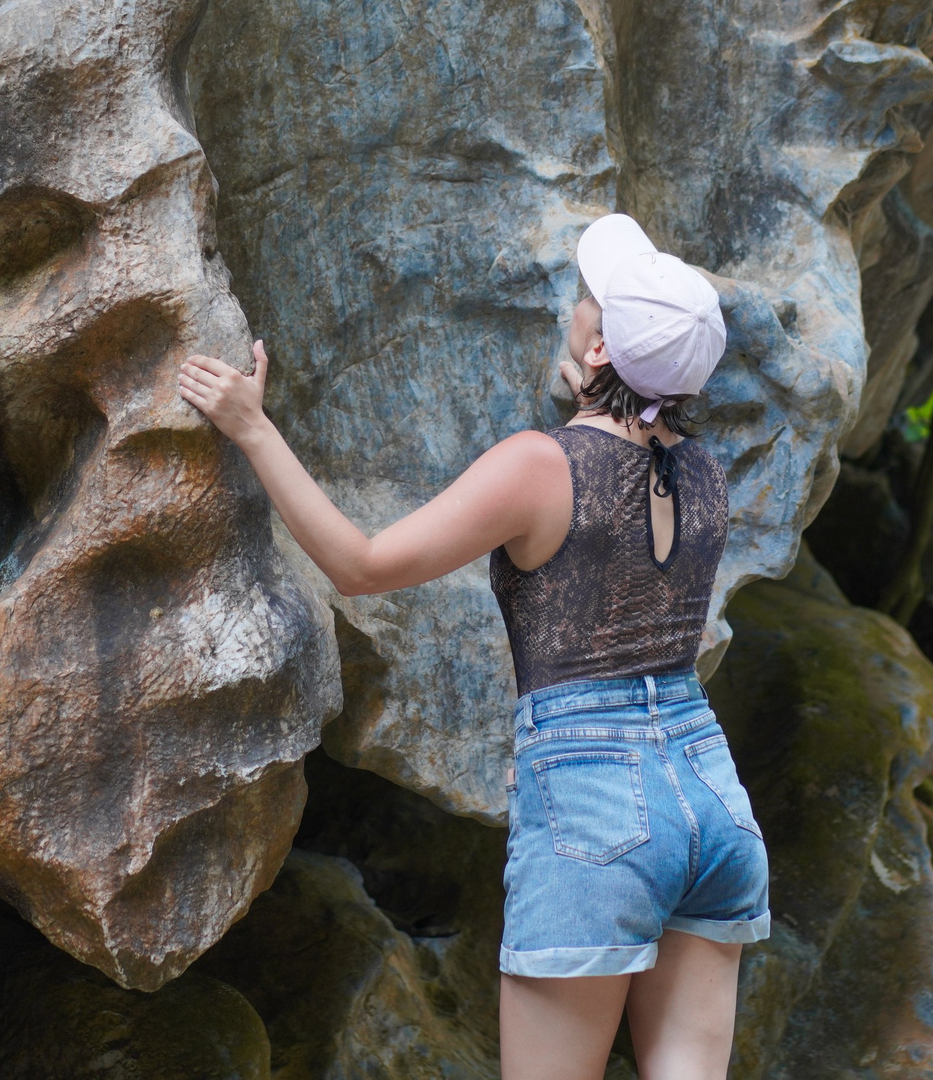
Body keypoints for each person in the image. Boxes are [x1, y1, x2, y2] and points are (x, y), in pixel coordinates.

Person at [178, 214, 769, 1080]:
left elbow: (360, 565)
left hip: (597, 803)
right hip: (712, 795)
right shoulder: (706, 474)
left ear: (600, 348)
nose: (575, 306)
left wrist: (252, 426)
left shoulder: (540, 466)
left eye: (588, 302)